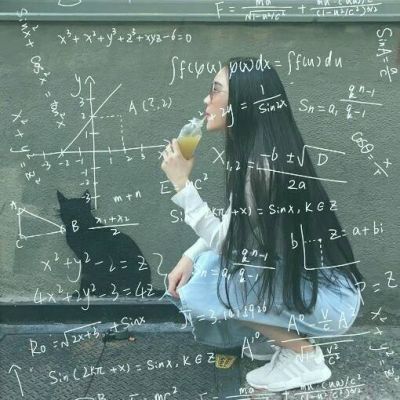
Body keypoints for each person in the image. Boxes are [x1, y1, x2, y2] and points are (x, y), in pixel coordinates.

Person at [160, 56, 364, 392]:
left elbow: (229, 245)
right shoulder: (261, 152)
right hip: (319, 288)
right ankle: (280, 338)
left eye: (216, 90)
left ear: (243, 102)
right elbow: (235, 227)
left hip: (328, 301)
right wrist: (190, 255)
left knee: (204, 285)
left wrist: (182, 185)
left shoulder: (262, 169)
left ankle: (303, 356)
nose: (206, 99)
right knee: (209, 265)